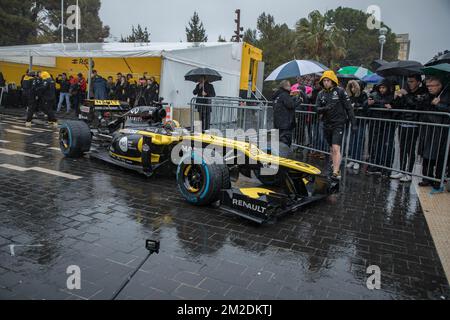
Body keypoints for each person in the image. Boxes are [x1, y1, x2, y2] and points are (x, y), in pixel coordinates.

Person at [315, 70, 356, 180]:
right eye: (324, 81)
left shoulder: (340, 91)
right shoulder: (320, 94)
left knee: (336, 147)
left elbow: (349, 108)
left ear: (333, 81)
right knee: (331, 149)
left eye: (328, 80)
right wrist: (325, 108)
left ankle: (336, 172)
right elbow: (316, 109)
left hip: (338, 124)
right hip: (326, 124)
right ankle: (334, 165)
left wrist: (353, 123)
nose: (326, 83)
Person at [391, 74, 429, 182]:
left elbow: (415, 104)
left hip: (413, 124)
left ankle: (409, 173)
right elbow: (398, 106)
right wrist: (396, 97)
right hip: (403, 123)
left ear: (418, 82)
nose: (409, 83)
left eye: (412, 81)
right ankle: (402, 171)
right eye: (408, 81)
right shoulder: (405, 91)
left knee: (410, 150)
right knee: (402, 148)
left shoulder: (422, 92)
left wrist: (406, 95)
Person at [418, 76, 449, 194]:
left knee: (440, 155)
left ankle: (438, 180)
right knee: (427, 152)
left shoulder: (446, 93)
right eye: (428, 86)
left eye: (432, 86)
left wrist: (439, 104)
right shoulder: (428, 95)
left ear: (439, 85)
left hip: (442, 129)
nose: (429, 88)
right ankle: (427, 177)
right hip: (428, 127)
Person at [366, 79, 395, 176]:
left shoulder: (392, 96)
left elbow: (396, 109)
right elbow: (365, 107)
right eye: (380, 87)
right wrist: (368, 104)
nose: (382, 89)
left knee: (386, 147)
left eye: (384, 87)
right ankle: (375, 165)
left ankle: (385, 167)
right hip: (375, 124)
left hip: (387, 125)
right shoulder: (373, 94)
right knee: (375, 145)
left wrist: (391, 108)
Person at [345, 80, 368, 171]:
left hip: (361, 121)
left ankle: (357, 160)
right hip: (353, 121)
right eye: (351, 87)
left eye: (354, 87)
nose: (352, 89)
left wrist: (356, 105)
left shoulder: (363, 94)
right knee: (352, 141)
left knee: (359, 141)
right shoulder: (351, 96)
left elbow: (365, 105)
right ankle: (352, 159)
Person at [272, 80, 296, 147]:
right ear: (285, 86)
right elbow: (291, 105)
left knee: (278, 141)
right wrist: (299, 100)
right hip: (285, 123)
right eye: (289, 86)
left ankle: (278, 155)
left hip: (277, 123)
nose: (290, 87)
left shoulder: (277, 95)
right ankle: (283, 156)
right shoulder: (285, 95)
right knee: (285, 142)